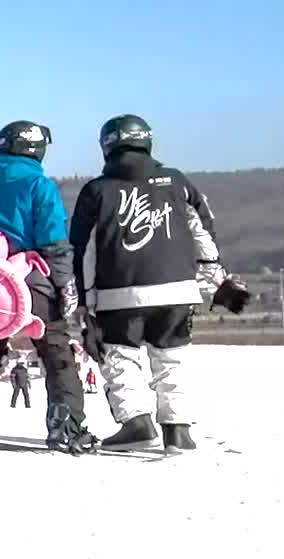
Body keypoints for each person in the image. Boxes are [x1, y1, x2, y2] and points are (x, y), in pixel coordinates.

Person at [70, 114, 247, 451]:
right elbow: (203, 235)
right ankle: (178, 431)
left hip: (117, 293)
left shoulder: (97, 191)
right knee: (172, 358)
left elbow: (84, 251)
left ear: (106, 146)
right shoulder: (175, 182)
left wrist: (86, 300)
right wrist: (215, 281)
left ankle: (137, 424)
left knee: (120, 358)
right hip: (177, 290)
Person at [0, 121, 98, 453]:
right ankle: (66, 428)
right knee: (56, 352)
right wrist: (65, 285)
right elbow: (53, 240)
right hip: (31, 279)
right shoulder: (39, 185)